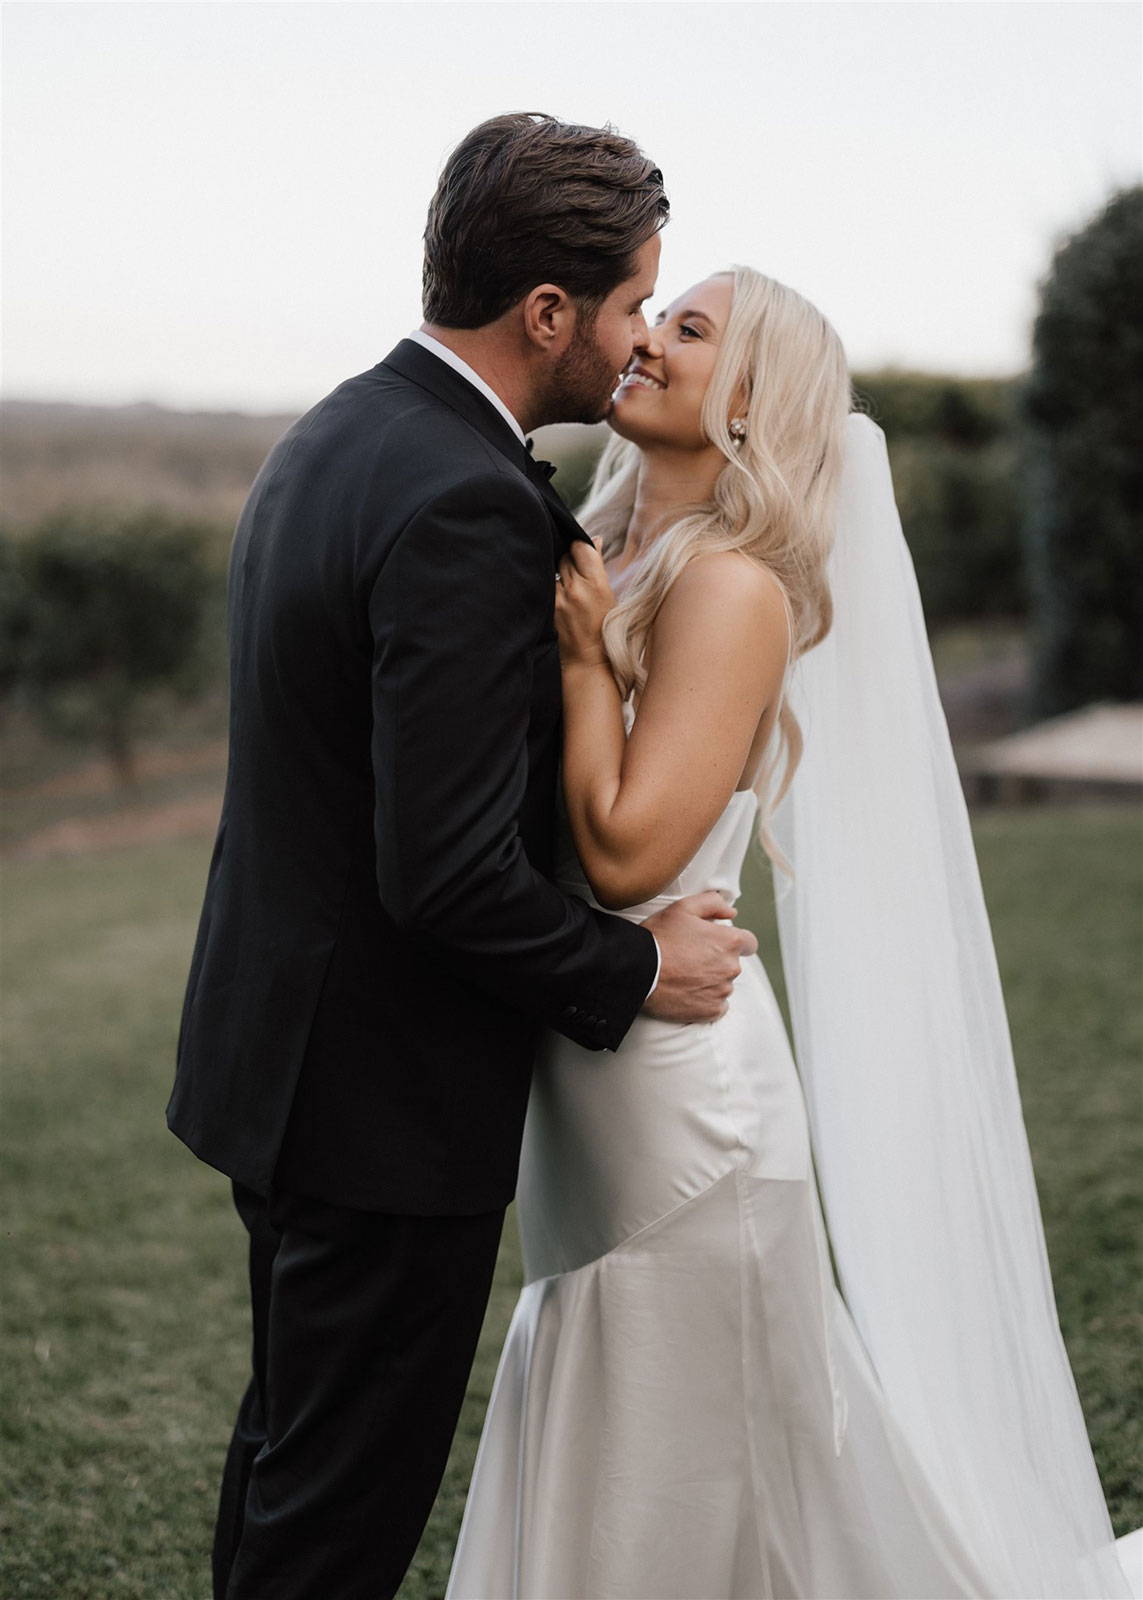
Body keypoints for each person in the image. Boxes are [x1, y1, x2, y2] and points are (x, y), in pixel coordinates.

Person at [445, 267, 1137, 1599]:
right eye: (660, 318)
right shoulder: (602, 544)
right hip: (586, 1060)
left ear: (755, 406)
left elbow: (630, 849)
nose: (644, 340)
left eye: (689, 332)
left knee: (701, 1467)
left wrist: (589, 663)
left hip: (680, 1088)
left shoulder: (733, 588)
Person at [166, 114, 758, 1600]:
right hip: (380, 1099)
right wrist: (632, 964)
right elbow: (441, 869)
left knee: (292, 1456)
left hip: (287, 1060)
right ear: (545, 311)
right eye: (630, 305)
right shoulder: (465, 503)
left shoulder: (342, 430)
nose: (634, 343)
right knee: (336, 1515)